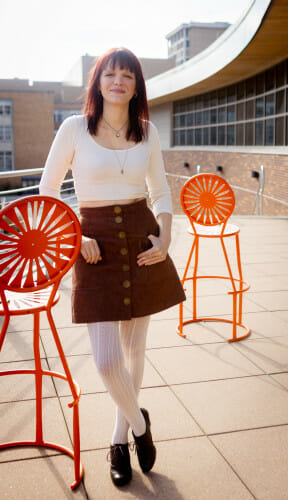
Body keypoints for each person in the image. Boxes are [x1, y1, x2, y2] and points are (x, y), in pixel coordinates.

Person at [39, 47, 185, 487]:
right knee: (106, 360)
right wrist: (75, 235)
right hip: (93, 245)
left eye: (127, 75)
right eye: (110, 73)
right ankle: (140, 424)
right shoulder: (73, 129)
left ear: (136, 85)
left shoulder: (146, 131)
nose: (117, 80)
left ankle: (118, 440)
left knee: (134, 351)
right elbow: (47, 192)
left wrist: (165, 234)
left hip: (142, 240)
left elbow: (159, 190)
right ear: (98, 81)